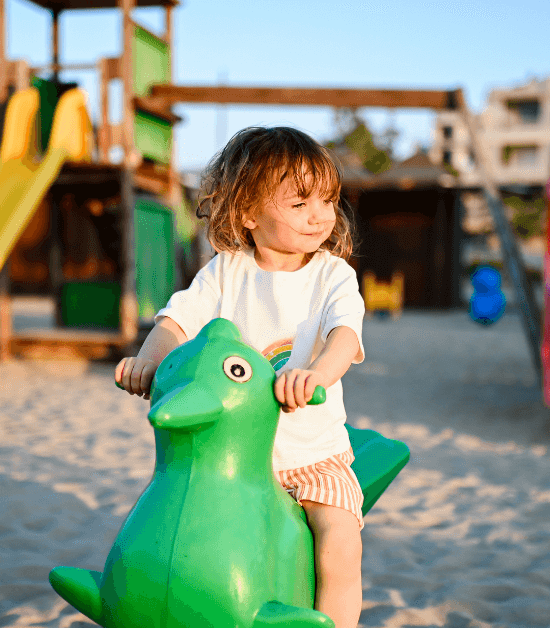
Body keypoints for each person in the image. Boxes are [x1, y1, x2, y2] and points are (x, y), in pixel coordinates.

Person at [115, 126, 366, 628]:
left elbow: (345, 336)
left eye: (328, 199)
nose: (320, 215)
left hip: (310, 455)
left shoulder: (332, 274)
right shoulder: (226, 271)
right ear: (248, 212)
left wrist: (316, 374)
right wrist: (148, 360)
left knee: (338, 539)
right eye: (300, 203)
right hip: (231, 457)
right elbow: (175, 321)